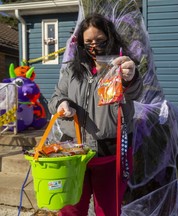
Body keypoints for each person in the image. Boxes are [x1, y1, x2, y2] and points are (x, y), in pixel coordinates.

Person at [48, 13, 143, 216]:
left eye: (99, 40)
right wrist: (61, 103)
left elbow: (135, 92)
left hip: (110, 153)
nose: (94, 46)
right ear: (81, 43)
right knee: (70, 208)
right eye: (88, 41)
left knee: (107, 210)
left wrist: (129, 78)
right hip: (73, 153)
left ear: (110, 38)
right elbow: (56, 96)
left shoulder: (121, 66)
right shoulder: (72, 70)